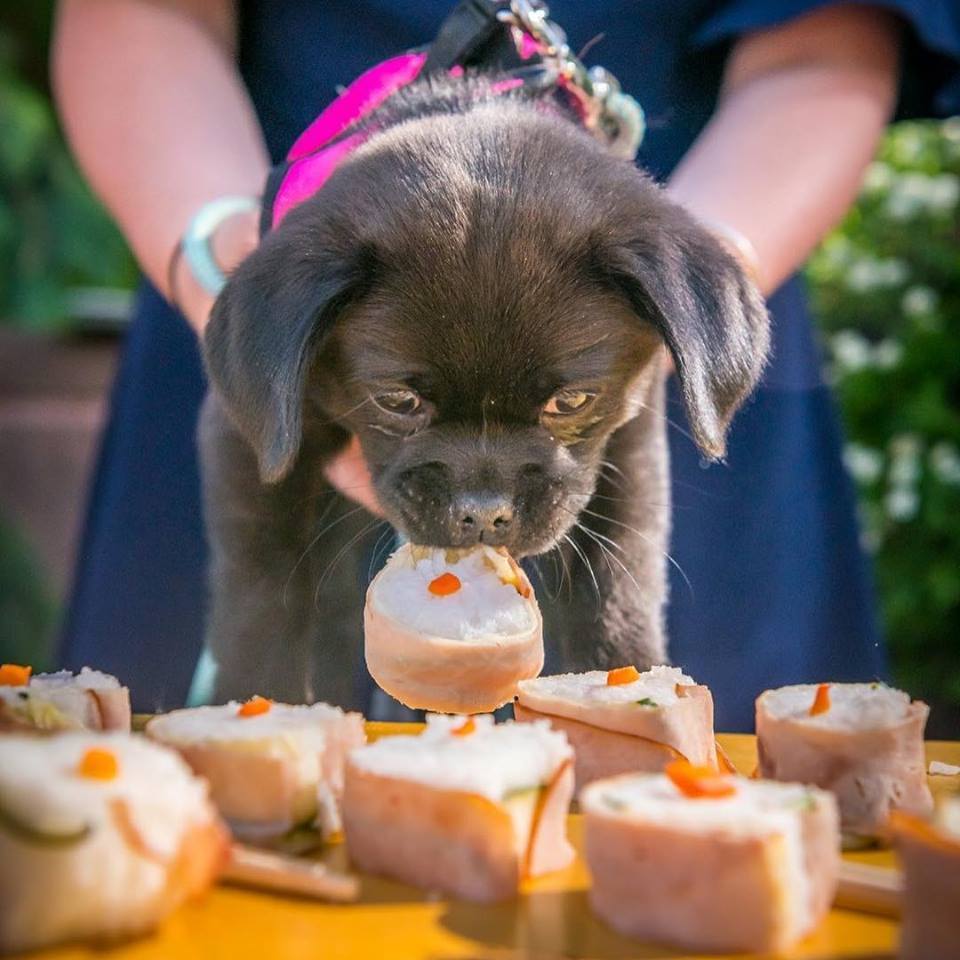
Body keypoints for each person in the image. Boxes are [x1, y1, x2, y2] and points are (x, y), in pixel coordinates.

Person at [52, 0, 959, 729]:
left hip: (670, 228)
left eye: (566, 406)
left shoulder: (632, 316)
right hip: (273, 262)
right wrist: (226, 274)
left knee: (665, 841)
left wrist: (682, 291)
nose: (485, 501)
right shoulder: (298, 314)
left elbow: (825, 50)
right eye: (406, 403)